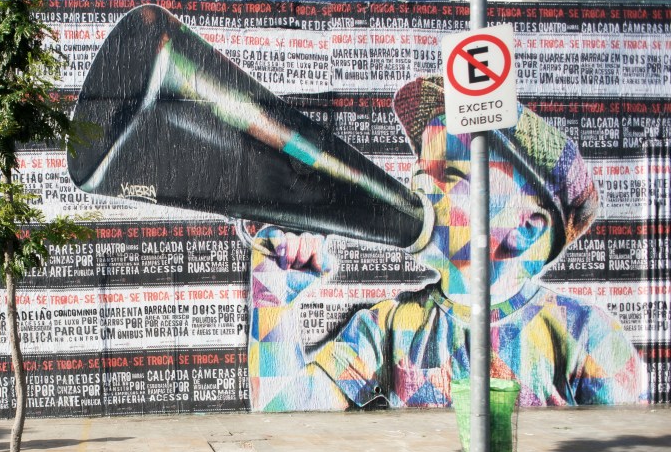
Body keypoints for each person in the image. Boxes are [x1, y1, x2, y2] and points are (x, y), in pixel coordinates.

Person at [249, 75, 648, 411]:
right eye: (421, 172)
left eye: (452, 174)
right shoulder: (390, 325)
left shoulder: (588, 334)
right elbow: (284, 411)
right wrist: (273, 294)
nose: (420, 189)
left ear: (526, 227)